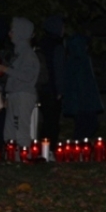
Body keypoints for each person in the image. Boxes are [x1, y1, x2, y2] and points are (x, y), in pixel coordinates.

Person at [0, 17, 39, 154]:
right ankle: (13, 158)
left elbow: (27, 76)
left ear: (21, 33)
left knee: (21, 131)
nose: (10, 34)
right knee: (10, 133)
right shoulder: (19, 54)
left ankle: (24, 158)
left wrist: (6, 70)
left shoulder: (28, 54)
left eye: (13, 31)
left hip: (23, 96)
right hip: (16, 95)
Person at [61, 33, 103, 139]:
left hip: (80, 102)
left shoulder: (74, 60)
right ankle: (77, 146)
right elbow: (83, 83)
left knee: (83, 127)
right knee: (87, 126)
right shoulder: (80, 61)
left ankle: (79, 146)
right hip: (83, 103)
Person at [38, 15, 66, 144]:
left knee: (46, 120)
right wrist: (60, 90)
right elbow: (59, 69)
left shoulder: (41, 44)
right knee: (52, 122)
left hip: (41, 86)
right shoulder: (57, 46)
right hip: (52, 89)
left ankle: (43, 146)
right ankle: (50, 148)